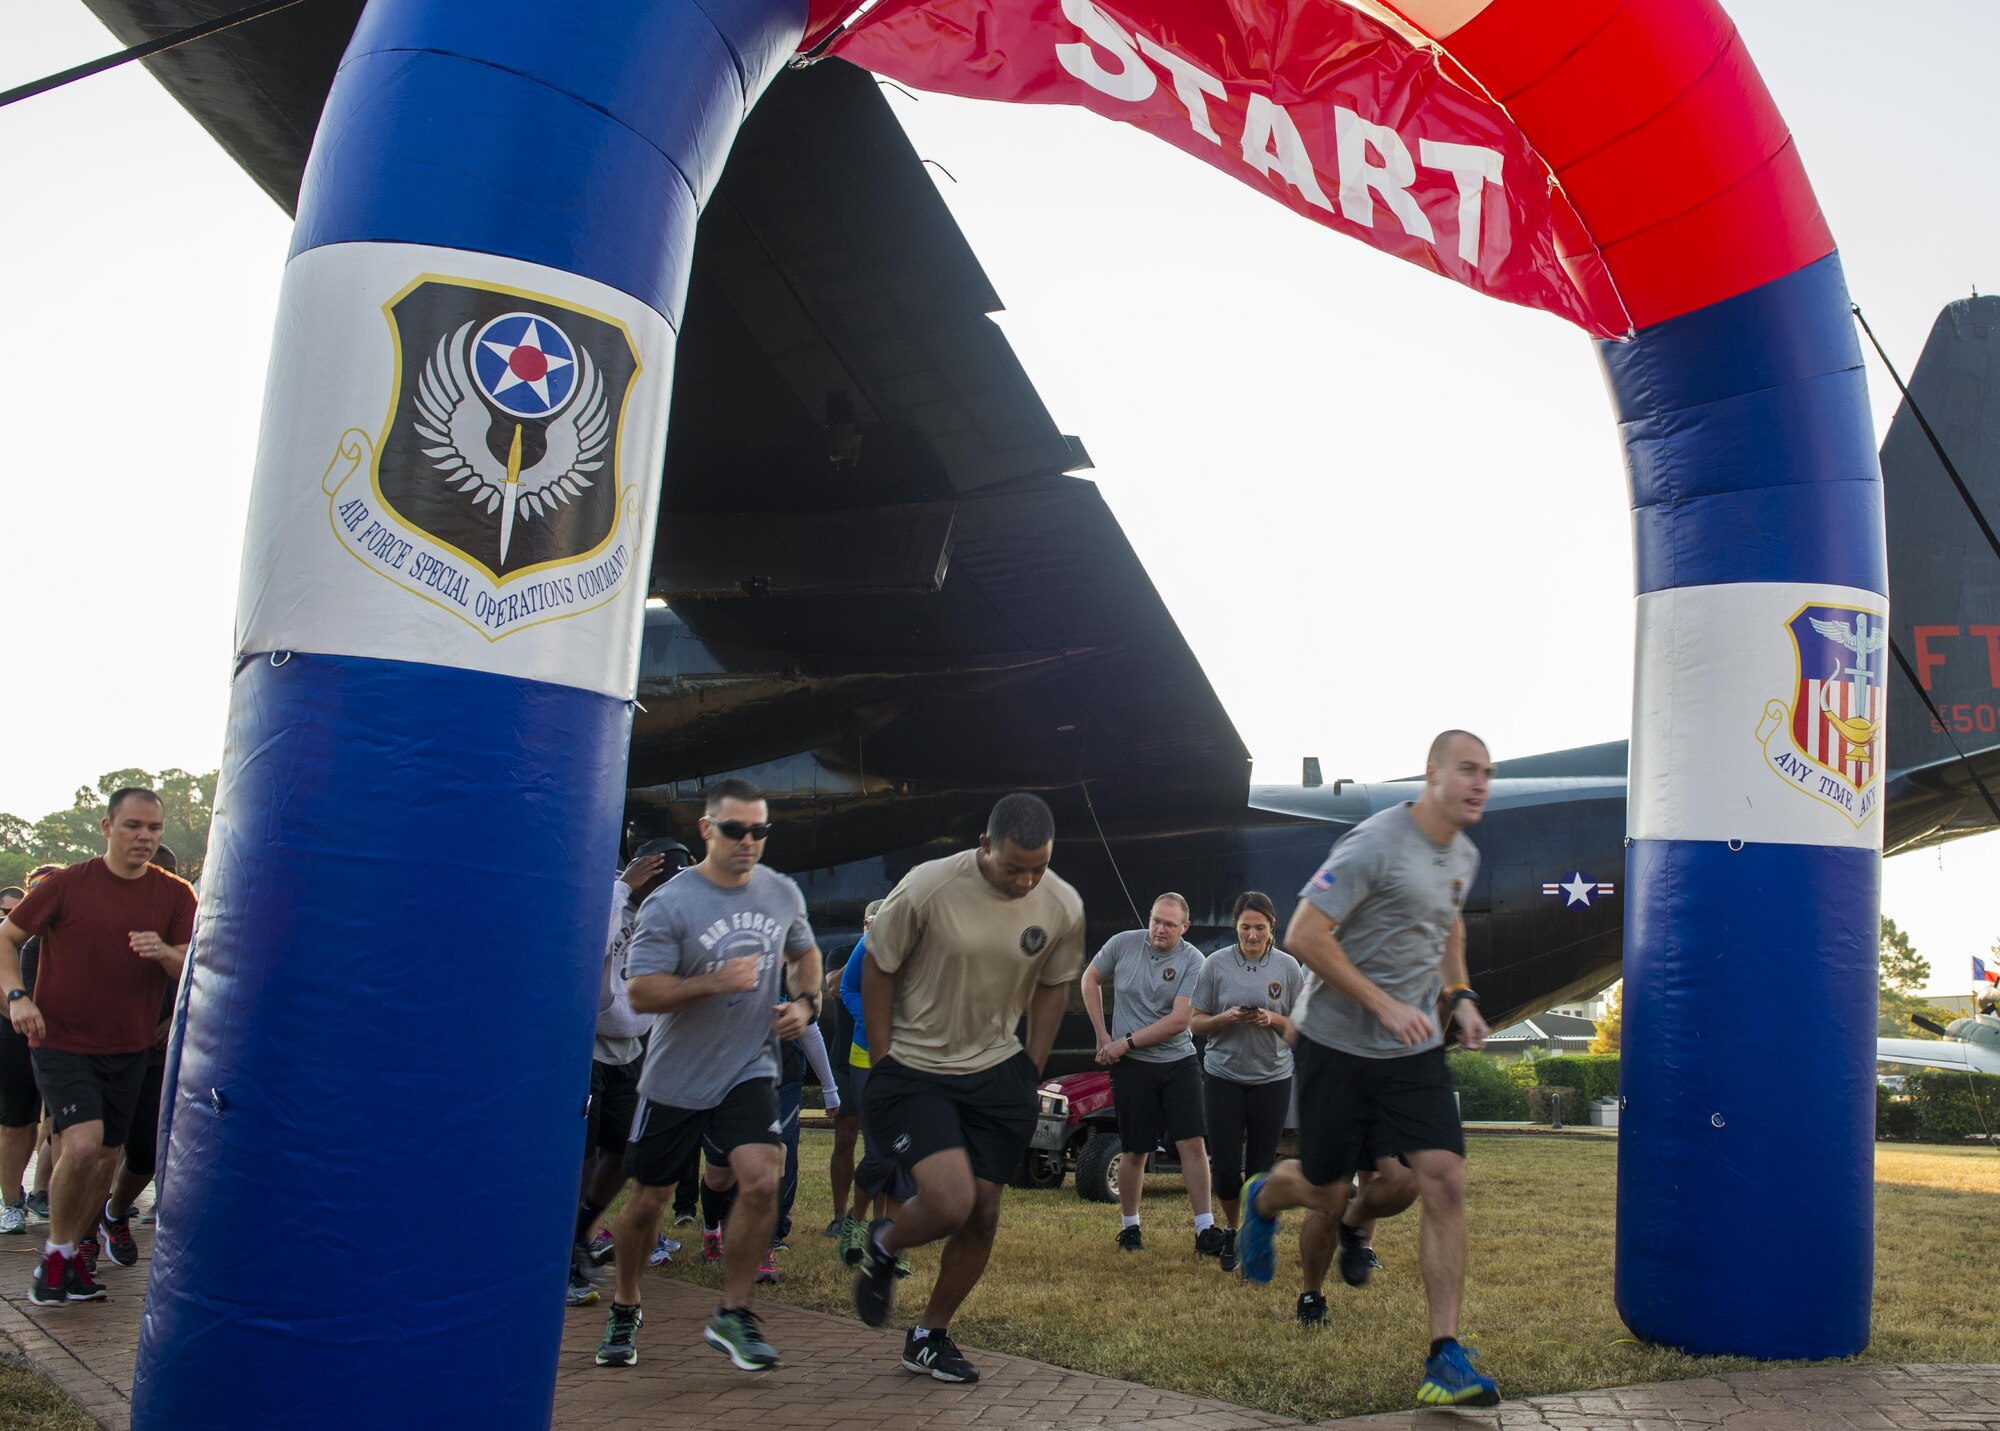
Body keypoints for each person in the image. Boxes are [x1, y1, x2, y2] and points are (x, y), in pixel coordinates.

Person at [1235, 731, 1497, 1408]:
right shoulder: (1375, 842)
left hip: (1410, 1053)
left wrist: (1459, 995)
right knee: (1323, 1192)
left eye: (1487, 774)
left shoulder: (1462, 852)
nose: (1479, 783)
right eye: (1467, 770)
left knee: (1442, 1177)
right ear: (1433, 772)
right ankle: (1265, 1196)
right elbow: (1304, 933)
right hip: (1335, 1044)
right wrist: (1381, 1003)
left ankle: (1445, 1354)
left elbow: (1450, 925)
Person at [851, 792, 1084, 1385]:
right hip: (916, 1069)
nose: (1027, 880)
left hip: (998, 1070)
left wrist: (1030, 1065)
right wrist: (882, 1062)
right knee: (951, 1203)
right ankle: (886, 1241)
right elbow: (879, 966)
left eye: (1039, 866)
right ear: (985, 846)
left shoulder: (1061, 904)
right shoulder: (928, 886)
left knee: (983, 1214)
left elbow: (1054, 985)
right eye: (1014, 867)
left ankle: (929, 1335)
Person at [594, 780, 822, 1372]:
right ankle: (625, 1303)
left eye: (759, 831)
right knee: (650, 1200)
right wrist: (715, 981)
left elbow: (805, 953)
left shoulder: (780, 892)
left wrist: (805, 1005)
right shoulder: (671, 902)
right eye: (734, 830)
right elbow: (641, 992)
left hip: (748, 1065)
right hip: (676, 1073)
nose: (748, 842)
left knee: (764, 1176)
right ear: (706, 830)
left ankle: (734, 1312)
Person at [1, 790, 197, 1306]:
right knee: (83, 1143)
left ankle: (73, 1256)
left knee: (108, 1156)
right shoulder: (69, 883)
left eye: (154, 828)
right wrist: (18, 996)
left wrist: (165, 953)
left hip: (130, 1046)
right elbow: (6, 936)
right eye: (133, 826)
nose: (145, 837)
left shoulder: (176, 895)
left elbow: (192, 968)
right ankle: (58, 1255)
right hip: (61, 1039)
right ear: (107, 826)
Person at [570, 839, 691, 1307]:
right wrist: (622, 889)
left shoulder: (665, 917)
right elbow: (587, 951)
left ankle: (580, 1231)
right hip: (588, 1047)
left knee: (623, 1155)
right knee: (581, 1156)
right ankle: (561, 1264)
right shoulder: (610, 898)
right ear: (647, 873)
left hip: (632, 1048)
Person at [1081, 894, 1216, 1257]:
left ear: (1184, 927)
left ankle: (1205, 1229)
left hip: (1178, 1062)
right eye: (1156, 920)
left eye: (1169, 924)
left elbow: (1179, 1021)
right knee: (1135, 1148)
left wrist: (1125, 1042)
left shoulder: (1194, 960)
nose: (1159, 929)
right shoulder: (1123, 943)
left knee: (1193, 1143)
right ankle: (1130, 1227)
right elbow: (1090, 978)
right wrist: (1101, 1034)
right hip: (1132, 1069)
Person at [1187, 891, 1303, 1272]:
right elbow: (1195, 1021)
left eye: (1259, 928)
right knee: (1223, 1168)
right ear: (1234, 926)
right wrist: (1225, 1018)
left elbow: (1301, 1028)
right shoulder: (1215, 964)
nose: (1251, 935)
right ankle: (1232, 1229)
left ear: (1272, 928)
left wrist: (1272, 1020)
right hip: (1223, 1074)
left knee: (1259, 1166)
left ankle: (1254, 1235)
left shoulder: (1288, 967)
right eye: (1244, 927)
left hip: (1271, 1076)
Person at [97, 845, 189, 1268]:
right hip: (95, 1050)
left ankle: (114, 1213)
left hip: (153, 1051)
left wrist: (174, 1018)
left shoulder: (186, 917)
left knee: (146, 1152)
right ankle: (77, 1238)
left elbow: (201, 973)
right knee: (91, 1147)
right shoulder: (102, 908)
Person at [0, 883, 30, 1235]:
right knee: (14, 1123)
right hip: (12, 1035)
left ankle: (39, 1193)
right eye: (6, 912)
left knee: (49, 1128)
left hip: (58, 1038)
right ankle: (11, 1203)